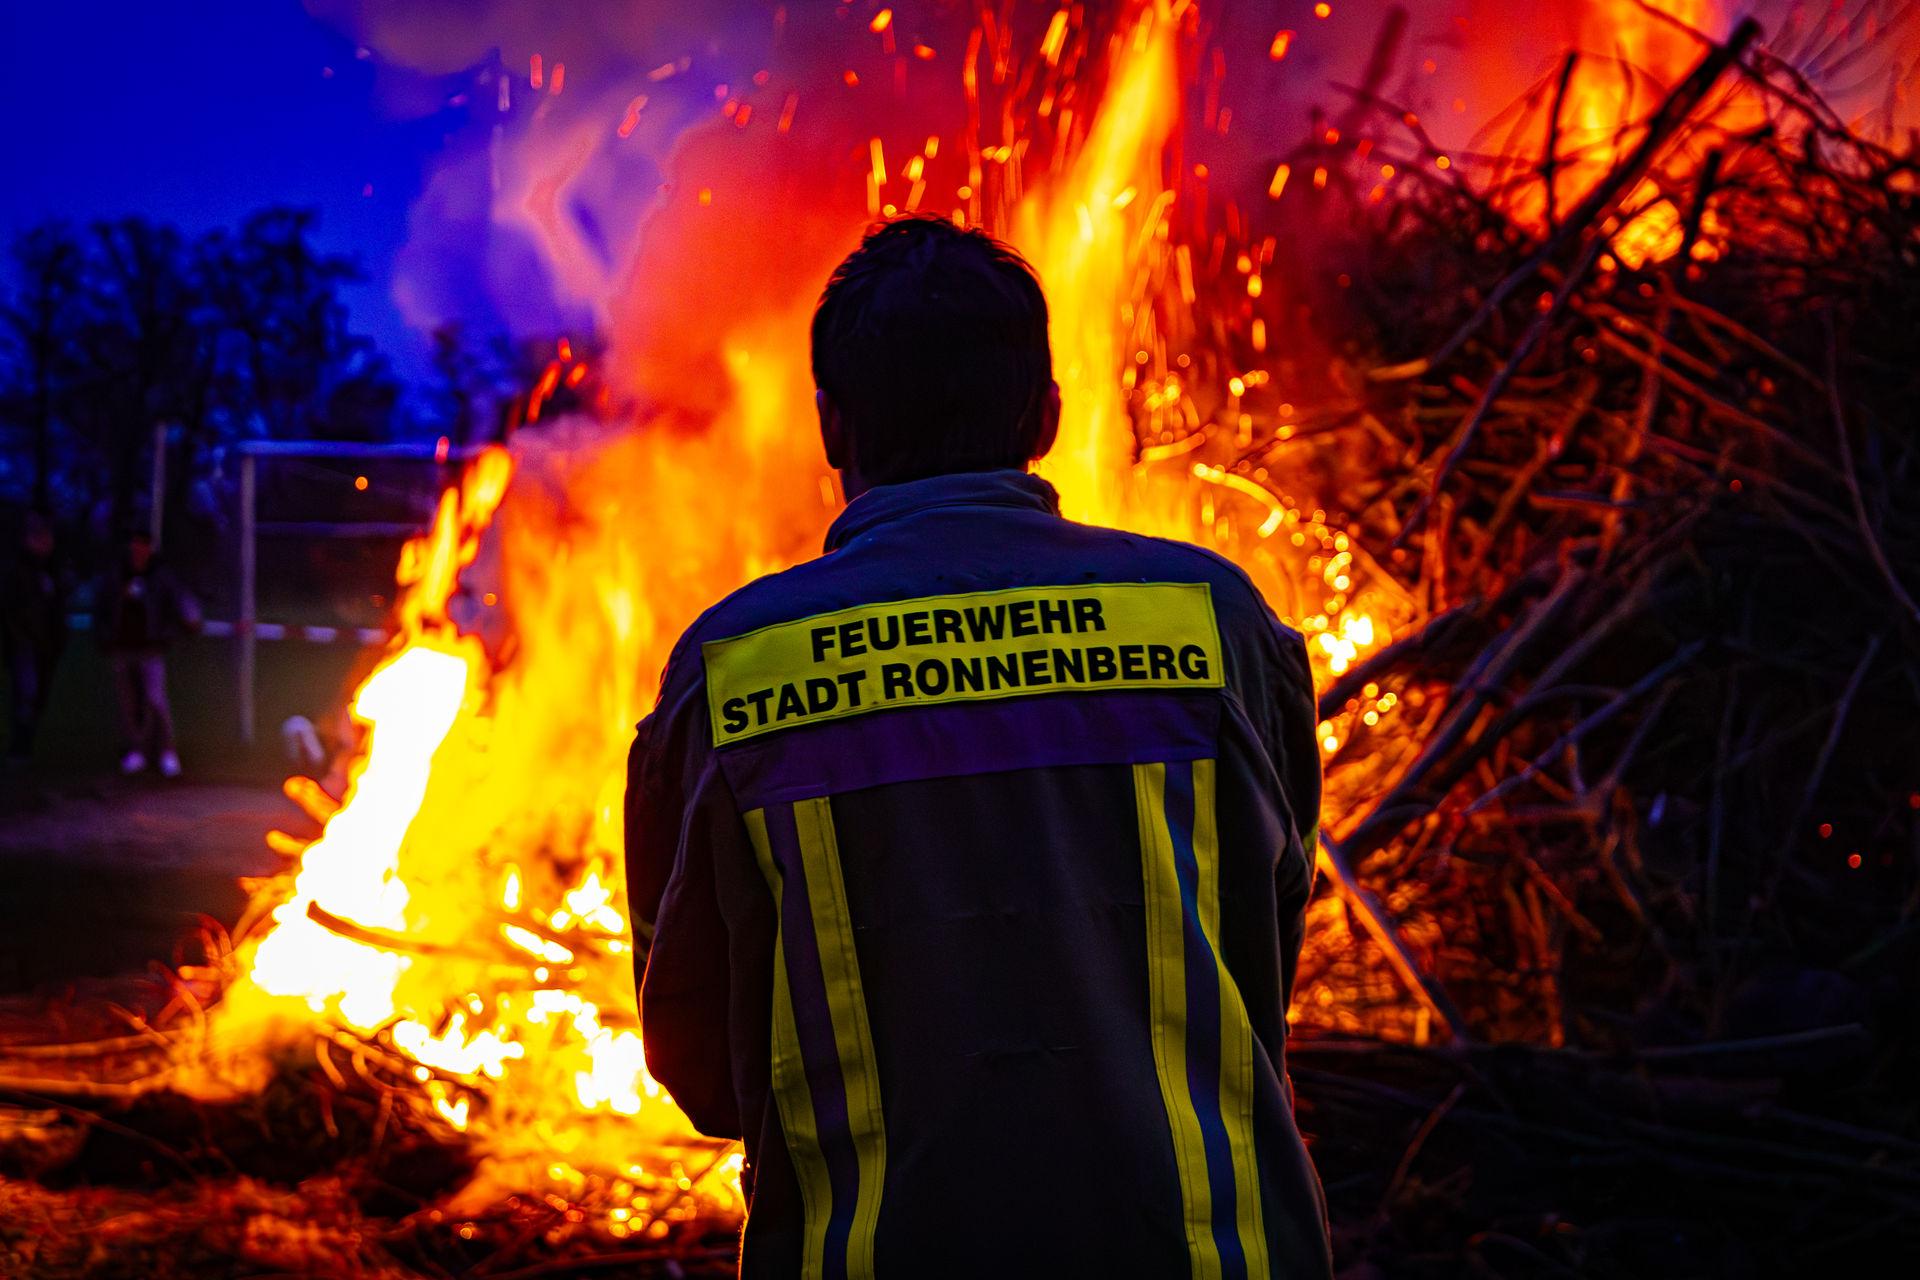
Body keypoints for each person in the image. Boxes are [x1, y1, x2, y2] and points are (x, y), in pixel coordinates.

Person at [627, 217, 1330, 1278]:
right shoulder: (1213, 621)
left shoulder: (734, 668)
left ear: (831, 425)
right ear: (1046, 412)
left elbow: (703, 1064)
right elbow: (1261, 956)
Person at [97, 529, 199, 778]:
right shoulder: (117, 574)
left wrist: (186, 622)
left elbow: (180, 603)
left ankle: (166, 749)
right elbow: (103, 606)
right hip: (123, 646)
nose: (139, 550)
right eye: (135, 545)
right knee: (128, 702)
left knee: (155, 699)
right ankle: (136, 749)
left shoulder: (160, 576)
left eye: (144, 545)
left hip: (151, 647)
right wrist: (104, 635)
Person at [2, 511, 67, 766]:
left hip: (47, 646)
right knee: (25, 694)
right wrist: (20, 638)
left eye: (48, 538)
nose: (46, 543)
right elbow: (10, 608)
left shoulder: (52, 570)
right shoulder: (18, 570)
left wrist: (58, 637)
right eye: (40, 538)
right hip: (26, 645)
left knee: (38, 696)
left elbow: (57, 606)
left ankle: (26, 743)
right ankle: (20, 747)